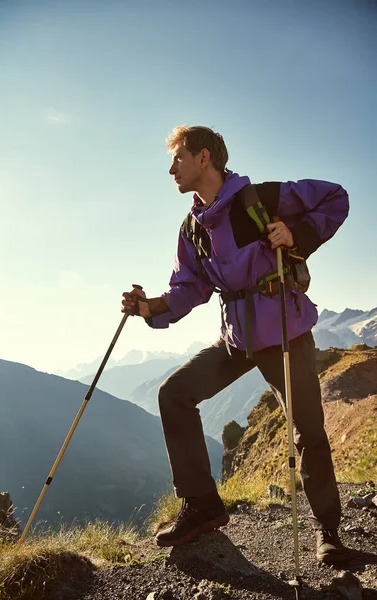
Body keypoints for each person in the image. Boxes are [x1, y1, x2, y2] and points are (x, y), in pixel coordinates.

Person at [121, 125, 349, 564]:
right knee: (174, 394)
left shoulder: (260, 200)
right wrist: (148, 307)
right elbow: (188, 289)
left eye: (178, 159)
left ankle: (328, 532)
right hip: (236, 339)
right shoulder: (193, 228)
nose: (172, 170)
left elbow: (335, 197)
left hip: (283, 330)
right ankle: (203, 505)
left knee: (309, 432)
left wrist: (296, 234)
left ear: (204, 158)